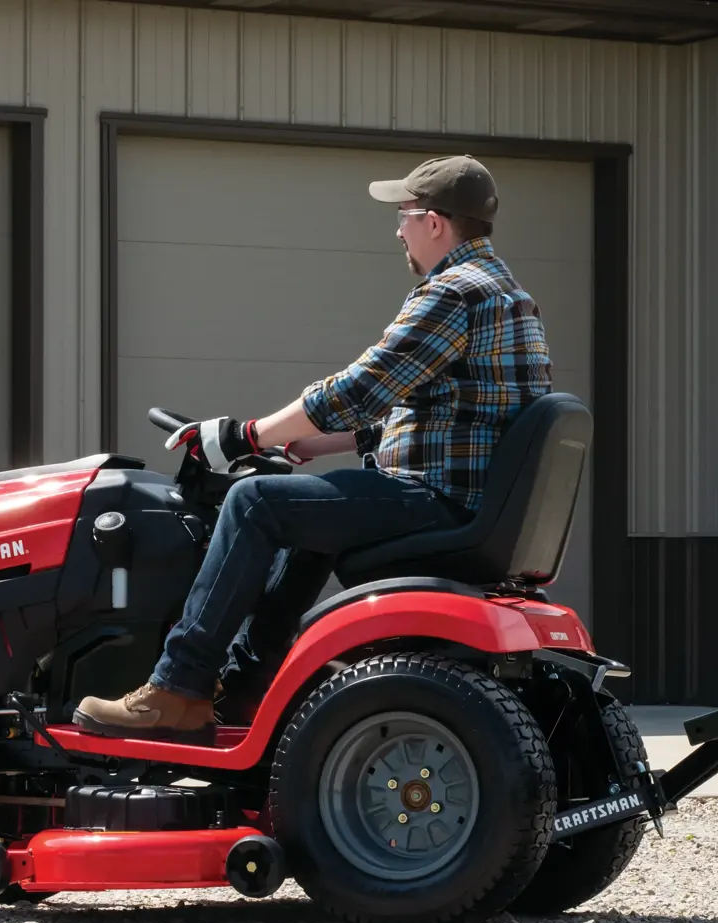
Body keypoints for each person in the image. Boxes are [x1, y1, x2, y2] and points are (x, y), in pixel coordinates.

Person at [74, 154, 555, 739]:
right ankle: (247, 685)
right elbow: (453, 416)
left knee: (255, 502)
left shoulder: (454, 293)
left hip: (437, 500)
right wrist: (315, 445)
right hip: (464, 496)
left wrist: (245, 434)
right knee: (304, 511)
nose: (397, 229)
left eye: (403, 215)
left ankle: (178, 687)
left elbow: (360, 388)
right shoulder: (508, 293)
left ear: (434, 222)